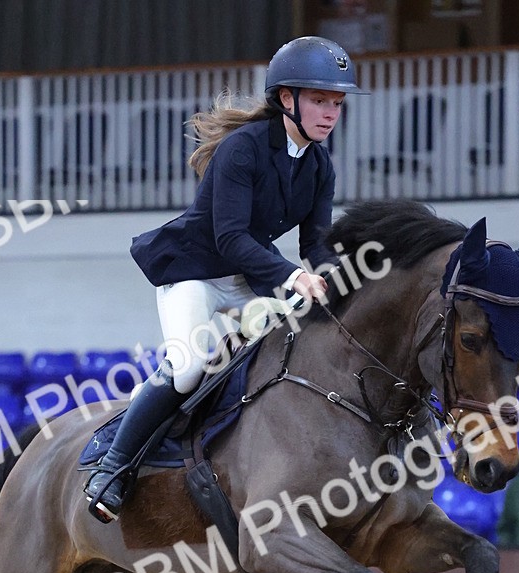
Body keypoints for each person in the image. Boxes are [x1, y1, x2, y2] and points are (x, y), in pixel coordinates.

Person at [84, 35, 367, 522]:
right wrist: (293, 279)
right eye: (320, 101)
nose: (330, 113)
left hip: (249, 277)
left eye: (337, 104)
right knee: (189, 366)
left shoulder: (319, 165)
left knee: (299, 343)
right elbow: (231, 237)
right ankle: (113, 467)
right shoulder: (242, 149)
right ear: (287, 99)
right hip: (195, 273)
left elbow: (314, 245)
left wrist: (334, 276)